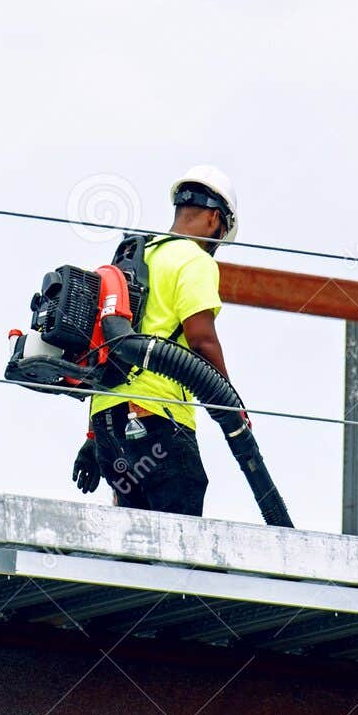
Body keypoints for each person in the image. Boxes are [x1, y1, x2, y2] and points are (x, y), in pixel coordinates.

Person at [71, 165, 240, 516]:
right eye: (220, 238)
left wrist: (91, 439)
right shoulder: (194, 259)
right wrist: (230, 404)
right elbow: (202, 340)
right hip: (158, 420)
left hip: (108, 429)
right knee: (179, 538)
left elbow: (107, 351)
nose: (215, 248)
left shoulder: (134, 257)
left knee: (135, 542)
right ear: (213, 219)